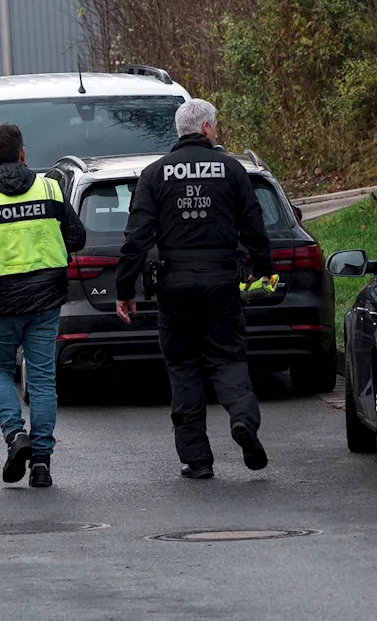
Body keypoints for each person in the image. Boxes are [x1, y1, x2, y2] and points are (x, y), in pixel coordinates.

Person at [114, 98, 272, 480]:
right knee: (229, 360)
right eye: (214, 127)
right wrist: (262, 269)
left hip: (175, 288)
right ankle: (243, 423)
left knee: (184, 368)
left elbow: (137, 236)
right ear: (205, 128)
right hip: (221, 283)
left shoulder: (154, 175)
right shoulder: (231, 170)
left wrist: (125, 288)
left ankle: (197, 459)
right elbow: (255, 226)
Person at [0, 123, 86, 488]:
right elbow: (77, 236)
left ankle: (15, 436)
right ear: (23, 153)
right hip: (46, 301)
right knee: (42, 379)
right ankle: (41, 464)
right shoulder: (49, 188)